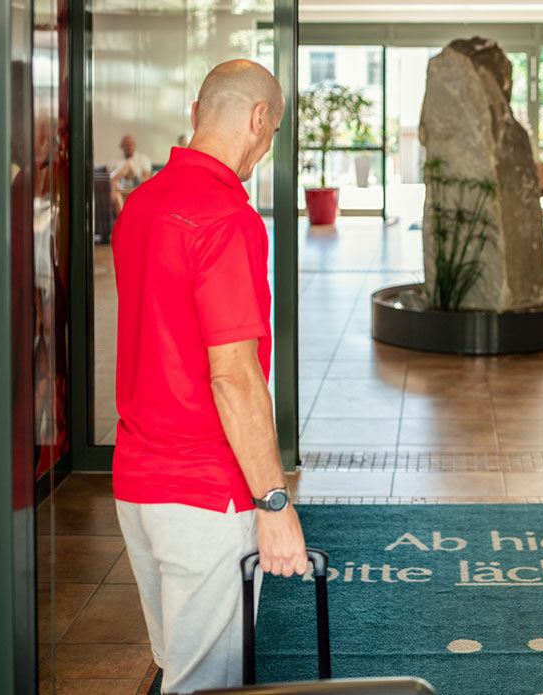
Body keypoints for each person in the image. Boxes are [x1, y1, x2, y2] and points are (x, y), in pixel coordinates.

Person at [111, 59, 307, 693]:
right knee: (204, 684)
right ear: (258, 120)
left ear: (196, 115)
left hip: (135, 486)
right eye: (271, 133)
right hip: (201, 496)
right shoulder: (226, 218)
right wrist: (274, 501)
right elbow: (234, 377)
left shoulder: (139, 206)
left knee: (174, 667)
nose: (263, 151)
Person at [109, 134, 152, 215]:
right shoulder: (114, 160)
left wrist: (132, 175)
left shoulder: (143, 159)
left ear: (135, 145)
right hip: (120, 190)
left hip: (137, 187)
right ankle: (122, 225)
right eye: (126, 144)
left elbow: (147, 179)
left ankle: (122, 225)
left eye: (131, 144)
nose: (129, 146)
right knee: (116, 196)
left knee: (129, 164)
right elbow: (109, 177)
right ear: (121, 146)